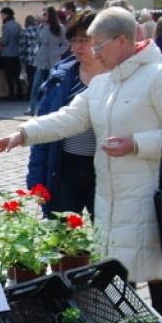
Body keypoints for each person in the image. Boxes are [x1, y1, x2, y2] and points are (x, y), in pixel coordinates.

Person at [0, 7, 162, 318]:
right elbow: (69, 119)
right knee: (115, 267)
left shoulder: (160, 77)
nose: (93, 52)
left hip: (145, 193)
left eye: (99, 44)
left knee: (155, 267)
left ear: (122, 41)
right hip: (108, 196)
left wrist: (136, 143)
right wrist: (23, 133)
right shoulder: (104, 82)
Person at [27, 11, 105, 219]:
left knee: (108, 236)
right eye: (74, 40)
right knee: (61, 239)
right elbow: (43, 127)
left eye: (84, 40)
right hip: (64, 167)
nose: (77, 47)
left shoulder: (116, 77)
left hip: (105, 170)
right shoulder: (61, 77)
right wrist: (36, 177)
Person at [29, 6, 69, 114]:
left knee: (51, 84)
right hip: (42, 59)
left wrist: (57, 52)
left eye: (45, 14)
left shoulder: (59, 28)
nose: (43, 16)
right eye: (43, 14)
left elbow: (66, 43)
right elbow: (38, 41)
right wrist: (36, 51)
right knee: (36, 84)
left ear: (51, 15)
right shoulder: (41, 27)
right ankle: (31, 107)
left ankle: (51, 107)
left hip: (54, 58)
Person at [0, 7, 22, 100]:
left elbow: (4, 41)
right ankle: (20, 93)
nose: (2, 17)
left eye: (2, 15)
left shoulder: (5, 26)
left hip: (7, 54)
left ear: (6, 15)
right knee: (17, 75)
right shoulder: (18, 25)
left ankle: (11, 95)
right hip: (17, 53)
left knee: (9, 76)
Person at [19, 15, 39, 98]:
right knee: (38, 78)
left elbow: (22, 47)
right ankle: (38, 95)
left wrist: (21, 61)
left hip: (29, 58)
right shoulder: (39, 30)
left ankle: (30, 95)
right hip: (39, 58)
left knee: (31, 78)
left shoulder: (24, 31)